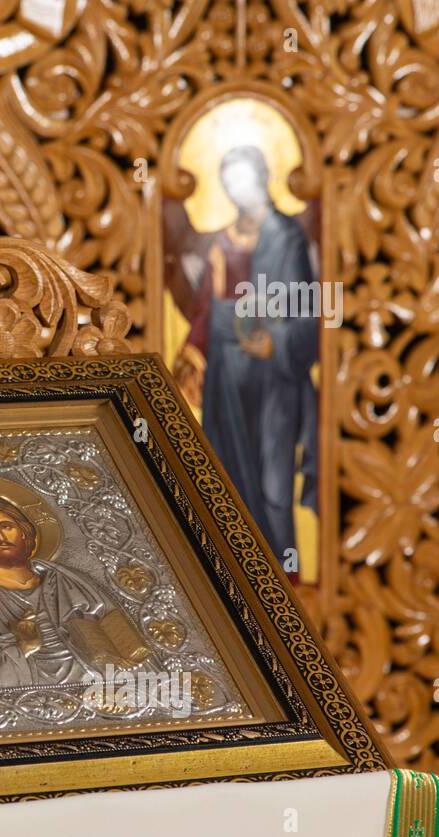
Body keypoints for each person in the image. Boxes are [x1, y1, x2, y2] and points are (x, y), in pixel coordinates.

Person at [177, 145, 319, 567]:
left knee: (274, 483)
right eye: (229, 181)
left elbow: (307, 310)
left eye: (245, 179)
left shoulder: (286, 236)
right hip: (225, 370)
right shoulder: (221, 242)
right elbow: (206, 307)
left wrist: (278, 343)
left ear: (262, 179)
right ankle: (233, 575)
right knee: (227, 474)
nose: (238, 189)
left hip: (274, 375)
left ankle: (283, 578)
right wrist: (192, 354)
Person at [0, 493, 115, 691]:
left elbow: (125, 641)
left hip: (105, 684)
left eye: (6, 526)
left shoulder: (68, 580)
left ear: (23, 530)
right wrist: (24, 646)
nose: (0, 536)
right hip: (33, 693)